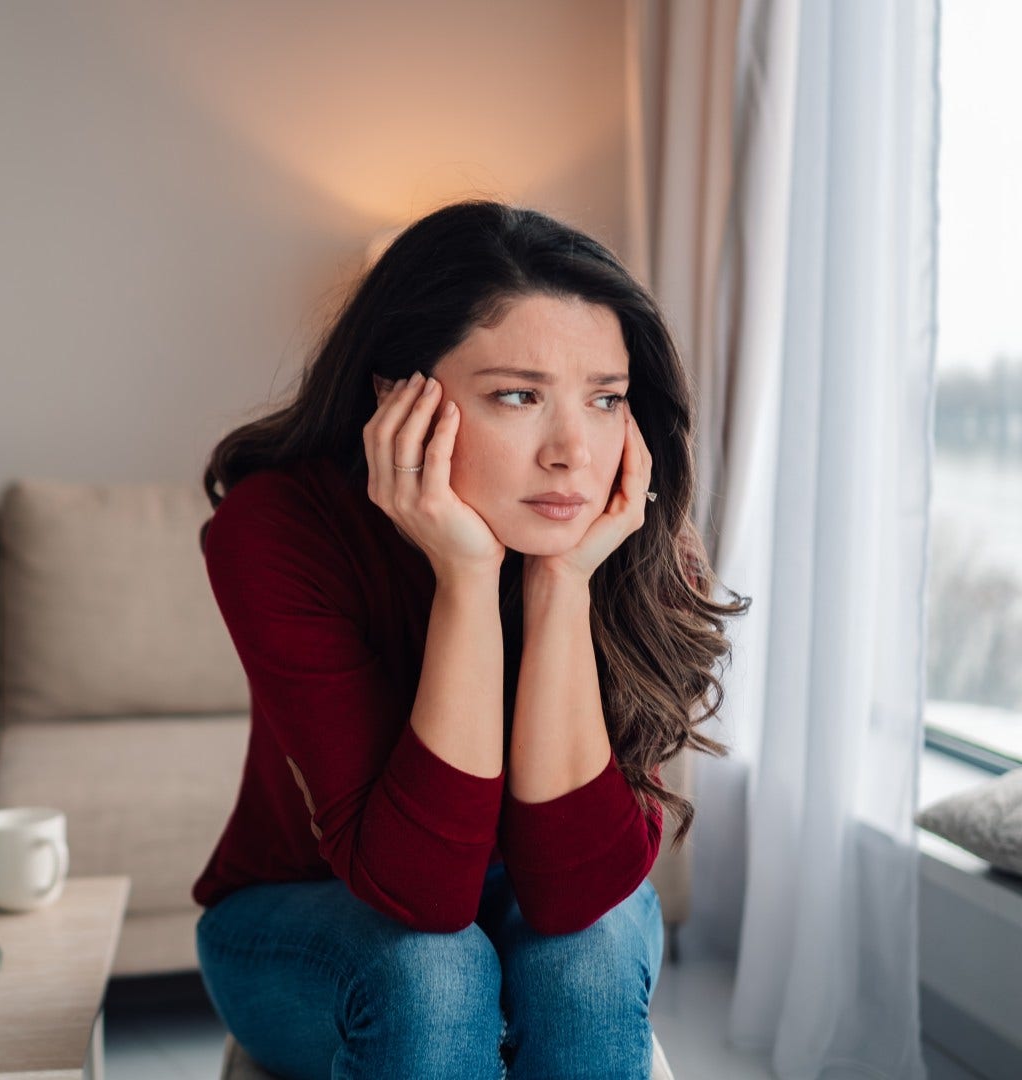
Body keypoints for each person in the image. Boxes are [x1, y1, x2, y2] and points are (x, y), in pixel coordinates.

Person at [191, 200, 749, 1079]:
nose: (573, 450)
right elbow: (422, 895)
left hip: (546, 903)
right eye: (518, 396)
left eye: (605, 399)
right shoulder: (279, 529)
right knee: (432, 972)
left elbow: (572, 893)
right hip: (307, 912)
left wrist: (562, 582)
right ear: (398, 399)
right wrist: (464, 578)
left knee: (592, 956)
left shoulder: (631, 535)